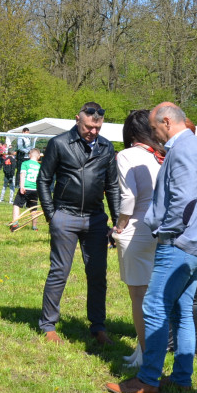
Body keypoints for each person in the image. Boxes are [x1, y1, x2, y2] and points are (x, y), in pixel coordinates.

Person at [106, 102, 197, 393]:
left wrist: (165, 231)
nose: (154, 136)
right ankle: (181, 377)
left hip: (180, 243)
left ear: (167, 122)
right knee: (182, 311)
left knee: (154, 307)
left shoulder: (181, 150)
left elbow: (182, 200)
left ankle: (148, 379)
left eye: (155, 129)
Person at [36, 102, 119, 344]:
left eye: (97, 127)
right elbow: (44, 180)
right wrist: (52, 214)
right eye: (88, 126)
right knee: (59, 271)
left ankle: (98, 327)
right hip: (65, 215)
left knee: (97, 274)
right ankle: (48, 324)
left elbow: (112, 186)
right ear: (77, 119)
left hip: (95, 219)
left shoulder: (106, 148)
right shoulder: (59, 143)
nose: (93, 131)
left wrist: (115, 221)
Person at [111, 110, 165, 369]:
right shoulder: (161, 157)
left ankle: (145, 355)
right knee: (155, 296)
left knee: (138, 296)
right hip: (161, 229)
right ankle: (143, 350)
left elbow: (128, 198)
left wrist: (119, 226)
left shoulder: (126, 155)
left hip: (136, 230)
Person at [11, 148, 41, 230]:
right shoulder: (39, 166)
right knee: (33, 208)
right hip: (35, 189)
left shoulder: (25, 163)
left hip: (26, 187)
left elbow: (22, 175)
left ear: (29, 155)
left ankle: (15, 224)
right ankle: (34, 227)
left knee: (16, 205)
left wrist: (22, 186)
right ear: (38, 157)